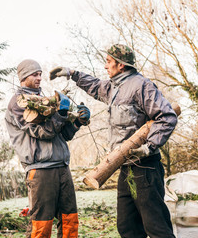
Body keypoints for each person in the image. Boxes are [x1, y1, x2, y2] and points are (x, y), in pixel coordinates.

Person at [49, 44, 177, 238]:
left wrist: (149, 147)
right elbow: (94, 85)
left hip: (146, 168)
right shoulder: (113, 88)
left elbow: (167, 117)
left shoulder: (141, 85)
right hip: (125, 166)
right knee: (127, 227)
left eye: (109, 62)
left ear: (121, 65)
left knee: (156, 227)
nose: (105, 66)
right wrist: (72, 73)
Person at [5, 59, 90, 238]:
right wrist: (60, 114)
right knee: (41, 225)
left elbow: (63, 134)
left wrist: (78, 121)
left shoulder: (45, 99)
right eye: (35, 74)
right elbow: (42, 132)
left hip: (62, 167)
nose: (39, 78)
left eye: (40, 74)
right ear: (23, 77)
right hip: (41, 170)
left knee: (70, 220)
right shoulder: (19, 104)